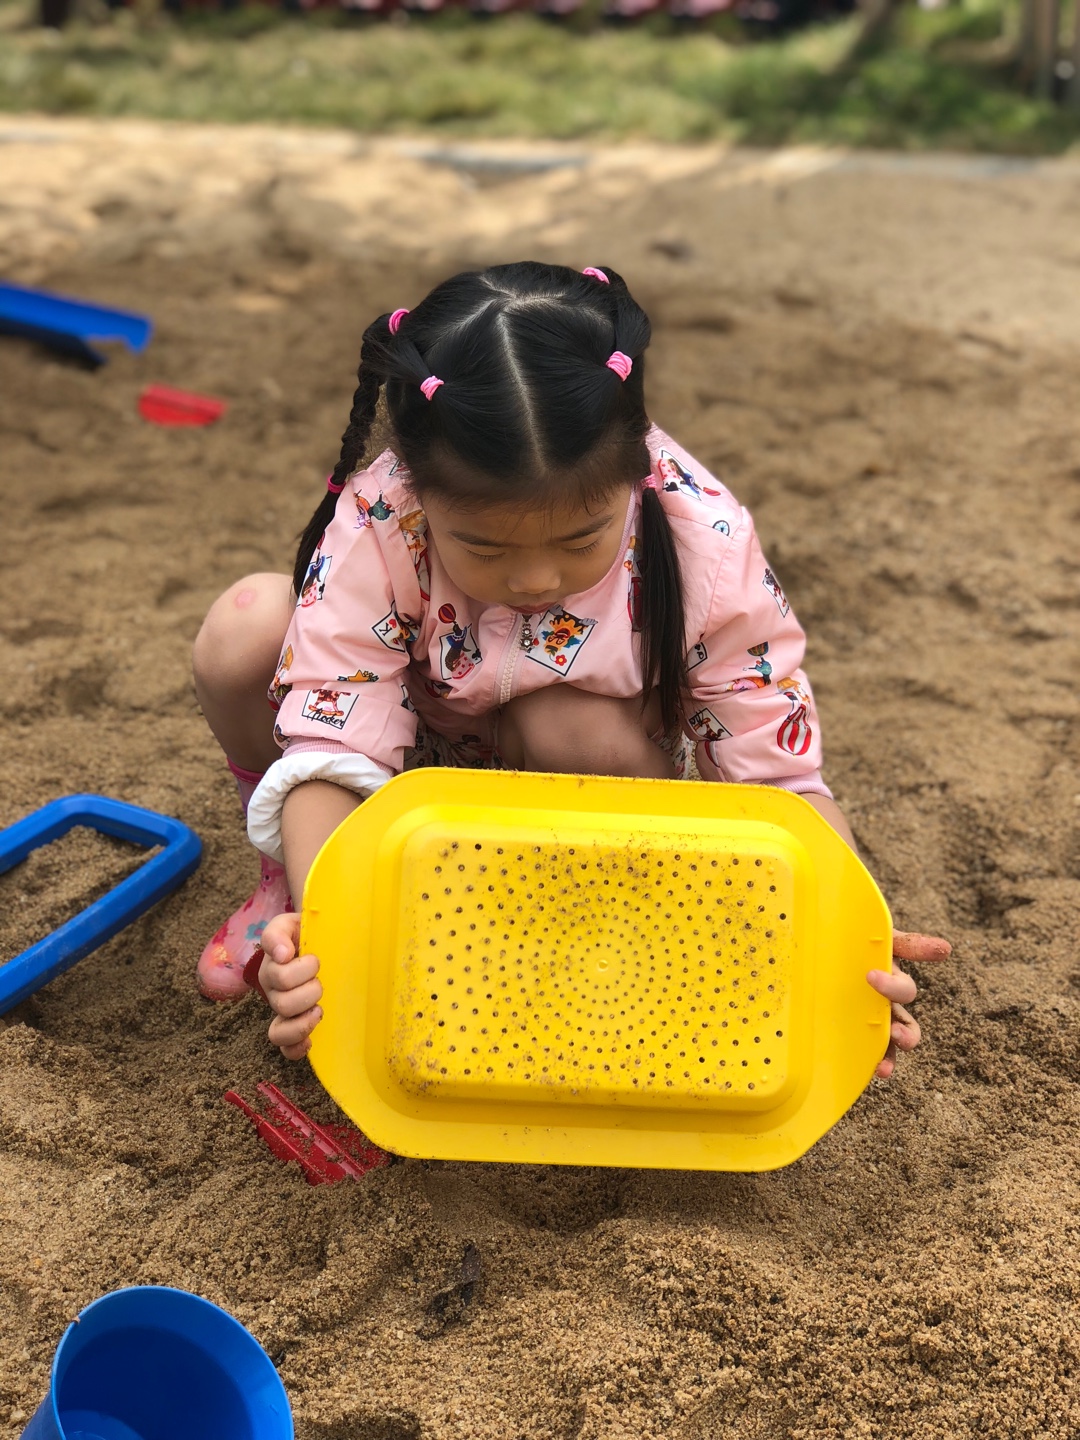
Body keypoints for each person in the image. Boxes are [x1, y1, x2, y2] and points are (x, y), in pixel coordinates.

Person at [192, 261, 948, 1073]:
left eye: (582, 537)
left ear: (634, 472)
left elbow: (781, 782)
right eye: (484, 546)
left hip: (587, 776)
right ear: (416, 484)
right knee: (247, 625)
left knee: (574, 727)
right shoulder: (383, 516)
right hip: (406, 776)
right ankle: (285, 881)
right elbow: (331, 745)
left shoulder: (703, 539)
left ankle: (605, 933)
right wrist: (332, 931)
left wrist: (841, 944)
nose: (534, 578)